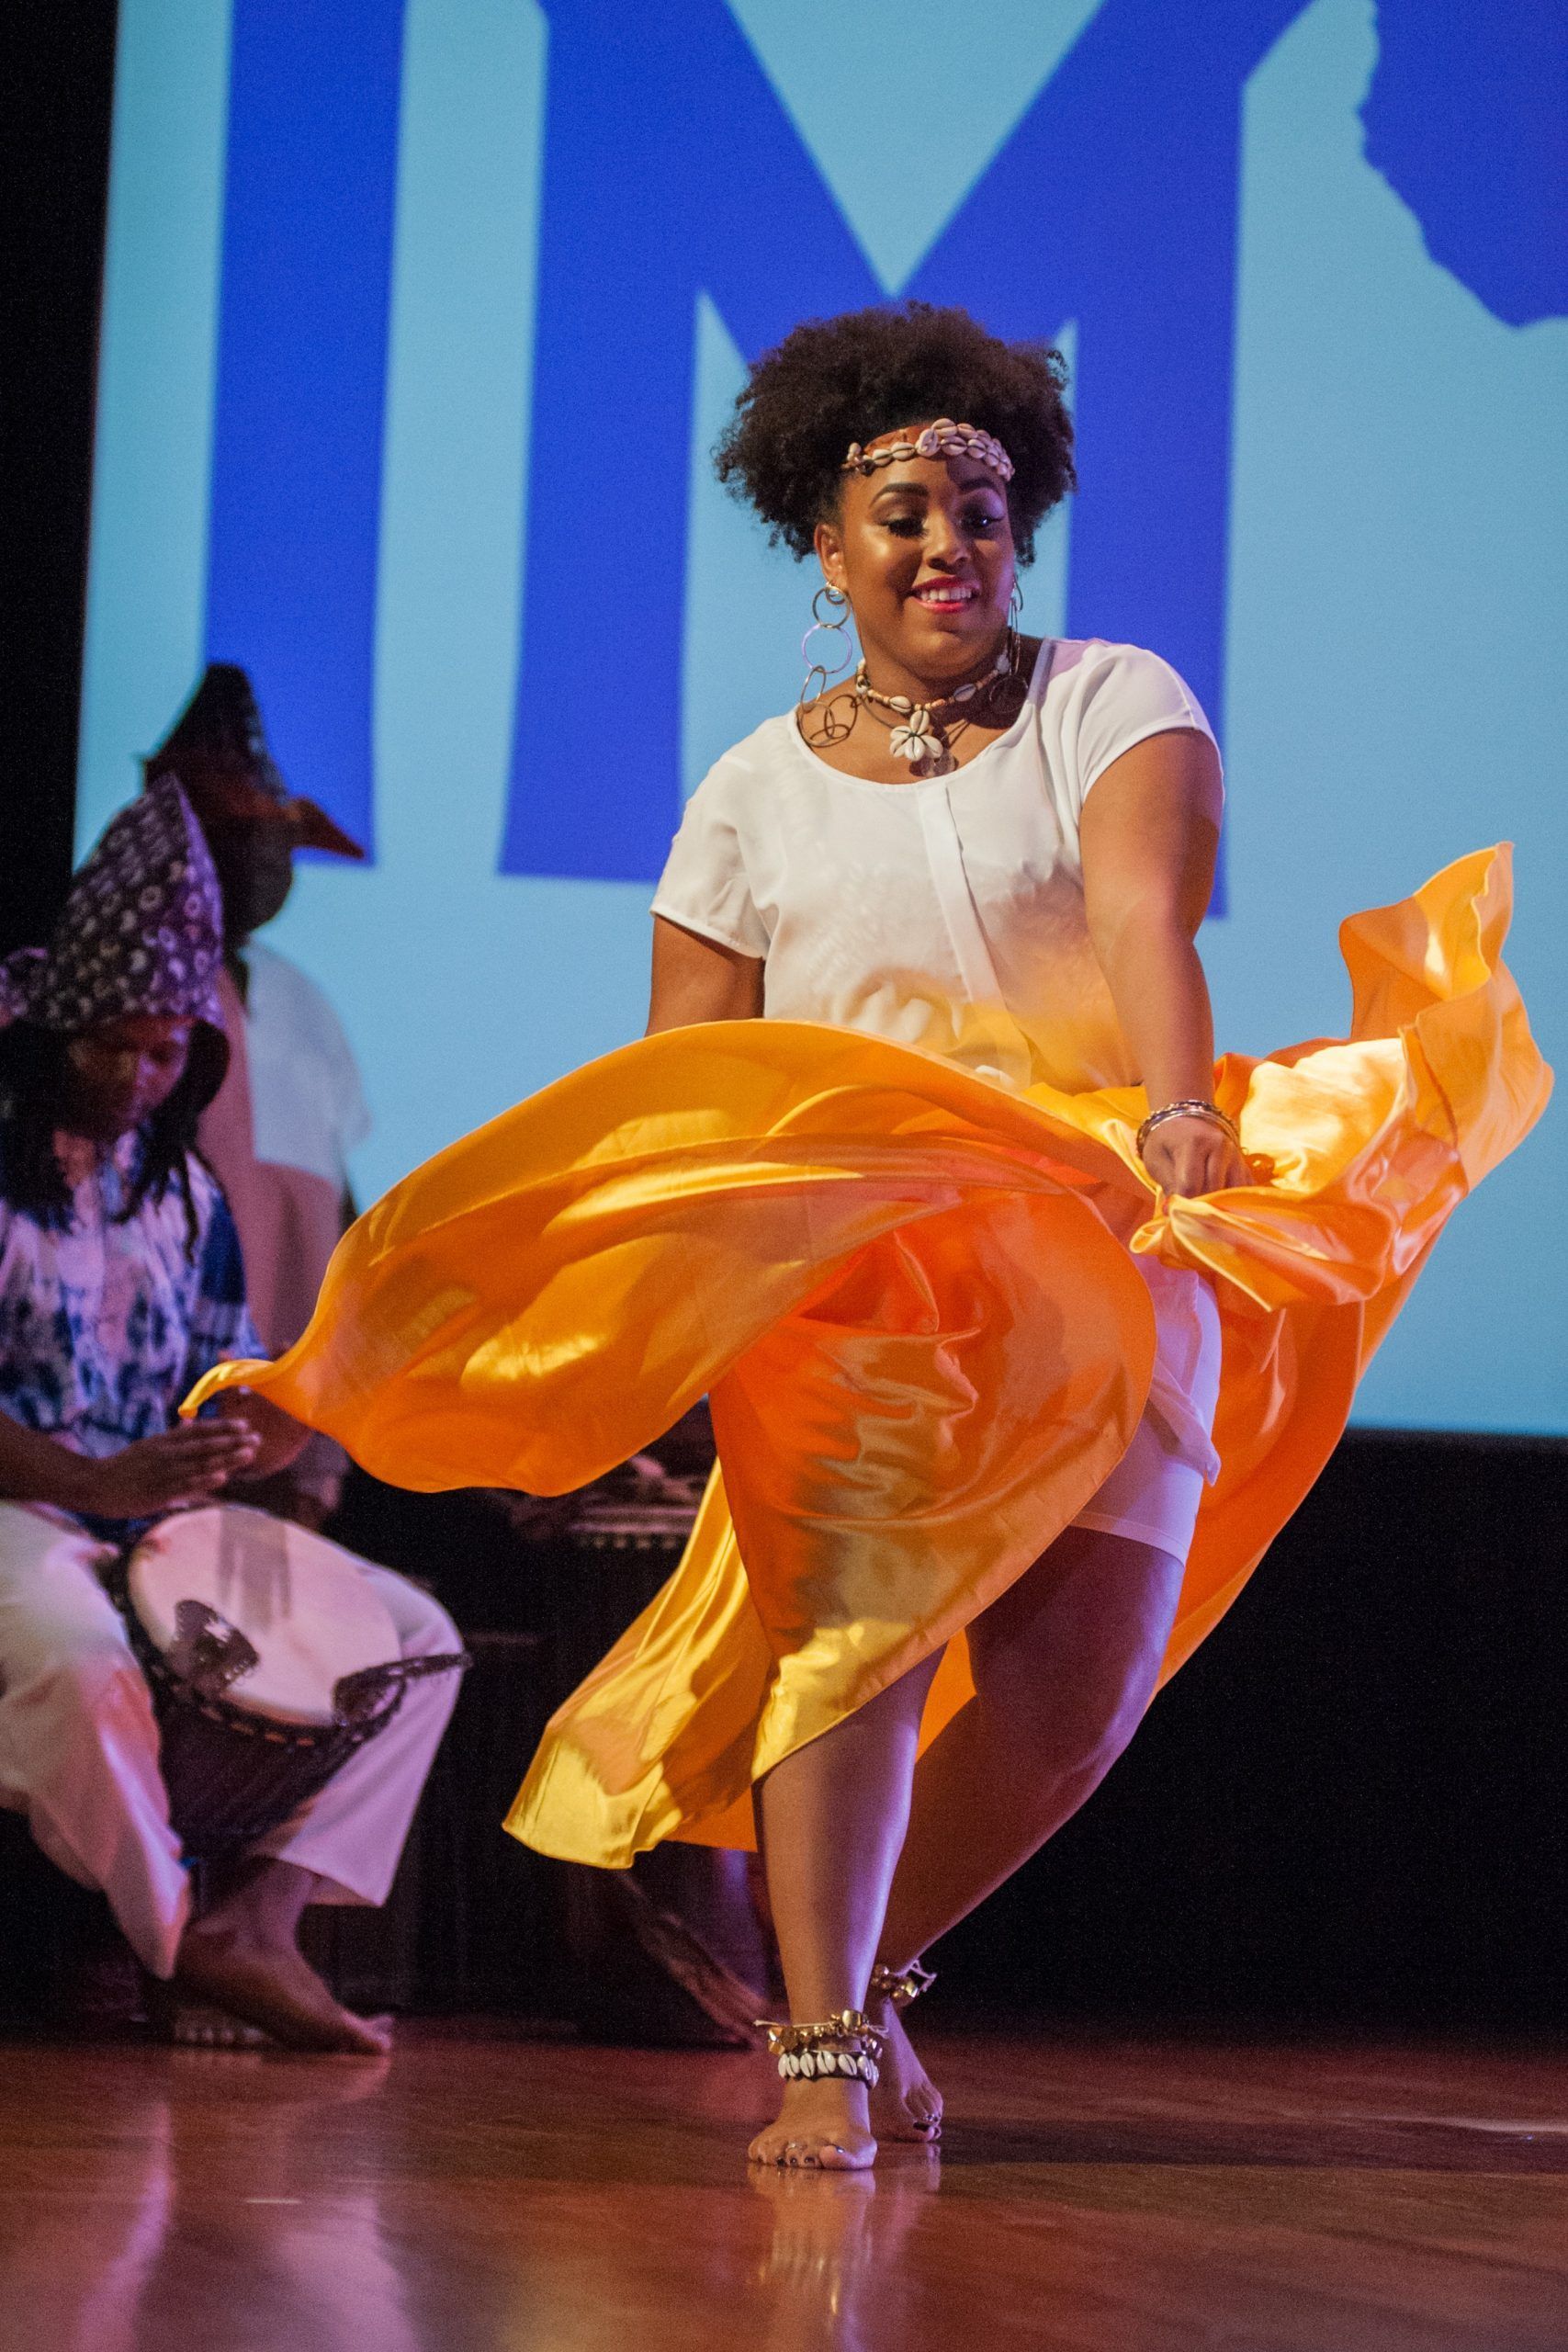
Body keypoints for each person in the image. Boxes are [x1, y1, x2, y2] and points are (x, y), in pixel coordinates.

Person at [188, 304, 1550, 2160]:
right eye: (899, 514)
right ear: (823, 547)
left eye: (980, 512)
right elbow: (688, 1091)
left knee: (1076, 1697)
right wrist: (669, 1315)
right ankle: (821, 2045)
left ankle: (855, 1979)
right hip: (856, 1274)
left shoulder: (1113, 702)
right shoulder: (748, 796)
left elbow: (1145, 922)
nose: (944, 547)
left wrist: (1178, 1114)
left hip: (1105, 1230)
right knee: (856, 1636)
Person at [0, 781, 462, 2052]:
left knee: (414, 1642)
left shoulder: (186, 1199)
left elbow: (231, 1383)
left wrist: (283, 1417)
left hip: (145, 1517)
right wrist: (95, 1485)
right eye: (113, 1046)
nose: (138, 1077)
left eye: (165, 1054)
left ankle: (259, 1923)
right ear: (57, 1029)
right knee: (80, 1659)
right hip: (26, 1512)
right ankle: (173, 1934)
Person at [144, 662, 370, 1527]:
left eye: (275, 846)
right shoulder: (141, 990)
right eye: (238, 841)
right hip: (164, 1375)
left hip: (289, 1380)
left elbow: (335, 1187)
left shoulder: (303, 999)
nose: (264, 865)